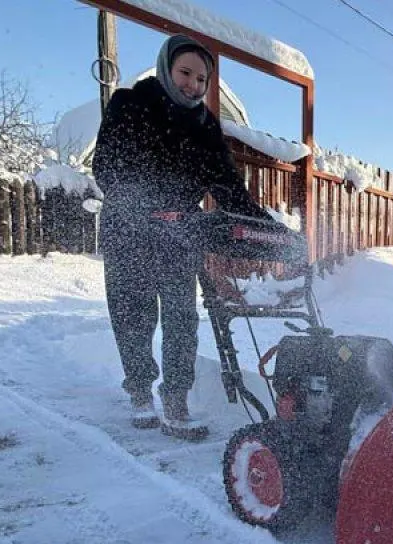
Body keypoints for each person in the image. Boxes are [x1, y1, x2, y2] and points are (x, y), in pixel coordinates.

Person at [91, 34, 271, 440]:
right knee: (134, 315)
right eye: (186, 73)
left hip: (178, 234)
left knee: (181, 318)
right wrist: (145, 205)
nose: (193, 84)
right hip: (129, 230)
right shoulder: (130, 104)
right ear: (167, 68)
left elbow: (227, 186)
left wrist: (267, 227)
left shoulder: (205, 126)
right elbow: (108, 166)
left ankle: (176, 398)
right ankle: (139, 390)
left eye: (202, 79)